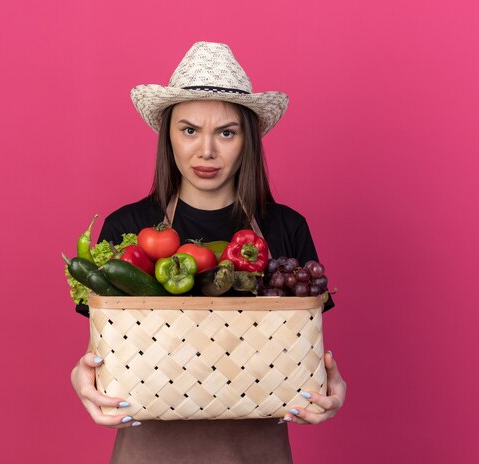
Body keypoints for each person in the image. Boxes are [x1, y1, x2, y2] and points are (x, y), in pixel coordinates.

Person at [71, 42, 347, 463]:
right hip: (149, 452)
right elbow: (107, 352)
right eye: (189, 130)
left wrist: (330, 386)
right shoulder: (126, 228)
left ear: (247, 140)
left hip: (255, 451)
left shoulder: (286, 228)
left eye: (226, 132)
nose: (206, 151)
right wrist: (82, 375)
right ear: (168, 135)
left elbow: (302, 350)